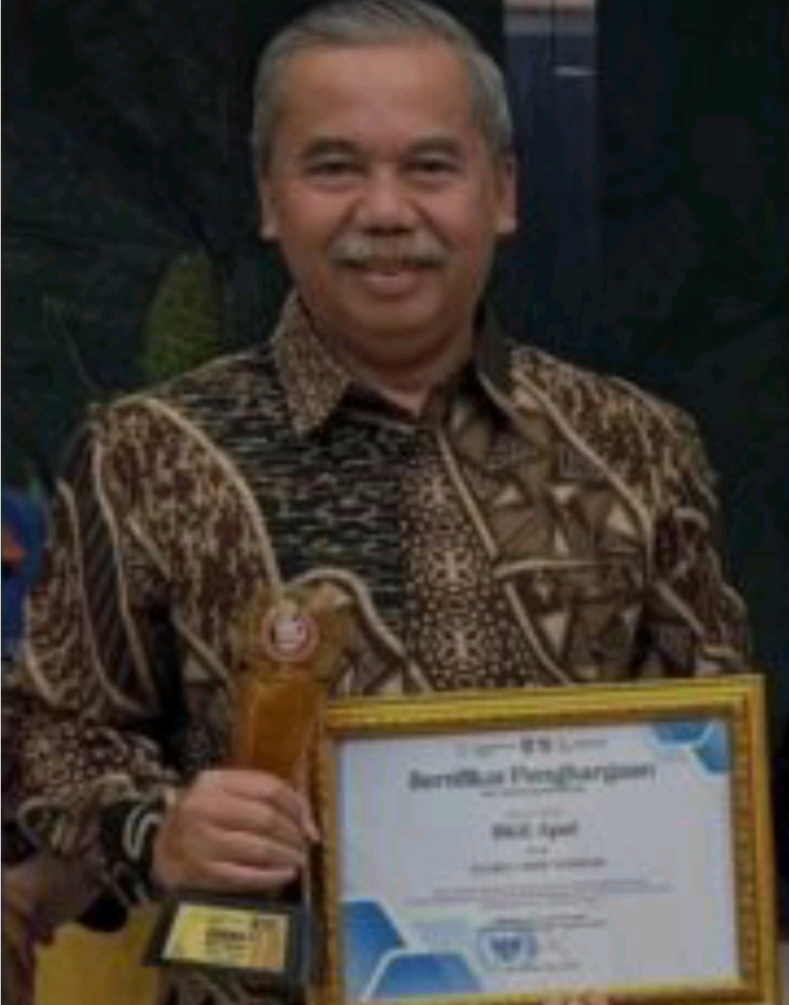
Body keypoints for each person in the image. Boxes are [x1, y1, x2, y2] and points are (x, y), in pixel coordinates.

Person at [2, 2, 749, 1003]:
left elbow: (712, 753)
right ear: (270, 198)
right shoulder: (147, 453)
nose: (386, 210)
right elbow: (47, 731)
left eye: (431, 166)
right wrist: (157, 826)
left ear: (502, 193)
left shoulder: (640, 445)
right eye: (334, 167)